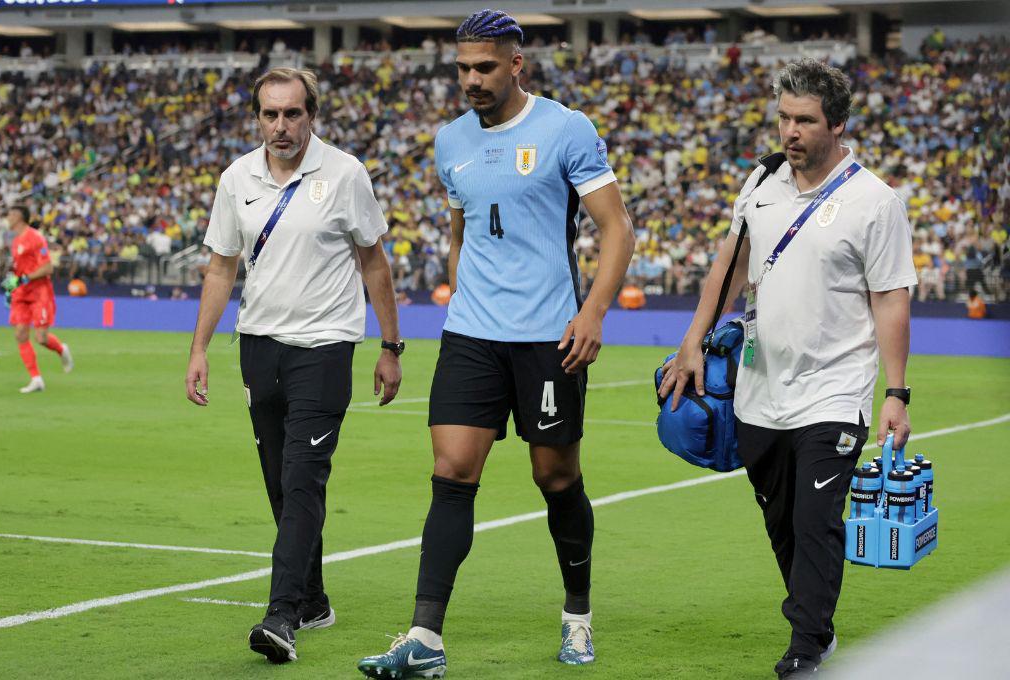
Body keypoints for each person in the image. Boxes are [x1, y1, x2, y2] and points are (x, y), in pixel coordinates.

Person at [357, 10, 635, 679]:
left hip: (549, 337)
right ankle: (425, 637)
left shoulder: (566, 129)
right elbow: (461, 231)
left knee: (556, 477)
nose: (472, 80)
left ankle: (577, 618)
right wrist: (463, 298)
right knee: (451, 473)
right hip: (472, 336)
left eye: (485, 68)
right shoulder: (450, 140)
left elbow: (617, 229)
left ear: (517, 65)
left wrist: (593, 312)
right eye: (463, 69)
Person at [658, 59, 916, 679]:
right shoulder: (762, 182)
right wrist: (693, 341)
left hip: (835, 391)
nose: (790, 132)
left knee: (816, 520)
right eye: (784, 118)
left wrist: (897, 390)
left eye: (804, 120)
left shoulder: (874, 202)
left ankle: (806, 644)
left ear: (837, 124)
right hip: (759, 389)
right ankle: (813, 620)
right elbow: (730, 267)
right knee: (781, 523)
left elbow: (890, 297)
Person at [184, 67, 403, 664]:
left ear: (312, 116)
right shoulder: (237, 178)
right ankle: (314, 598)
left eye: (292, 114)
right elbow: (221, 268)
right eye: (270, 114)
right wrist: (200, 347)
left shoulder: (344, 174)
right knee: (282, 484)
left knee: (305, 478)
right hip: (259, 346)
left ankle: (281, 617)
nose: (281, 126)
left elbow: (374, 262)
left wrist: (391, 345)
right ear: (258, 117)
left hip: (326, 346)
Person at [2, 204, 73, 393]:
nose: (7, 218)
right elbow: (17, 270)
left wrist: (24, 278)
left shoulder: (36, 237)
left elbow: (48, 268)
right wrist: (11, 287)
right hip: (21, 293)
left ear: (19, 216)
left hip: (39, 291)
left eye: (10, 215)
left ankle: (61, 349)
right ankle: (36, 379)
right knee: (20, 334)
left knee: (41, 337)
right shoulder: (16, 241)